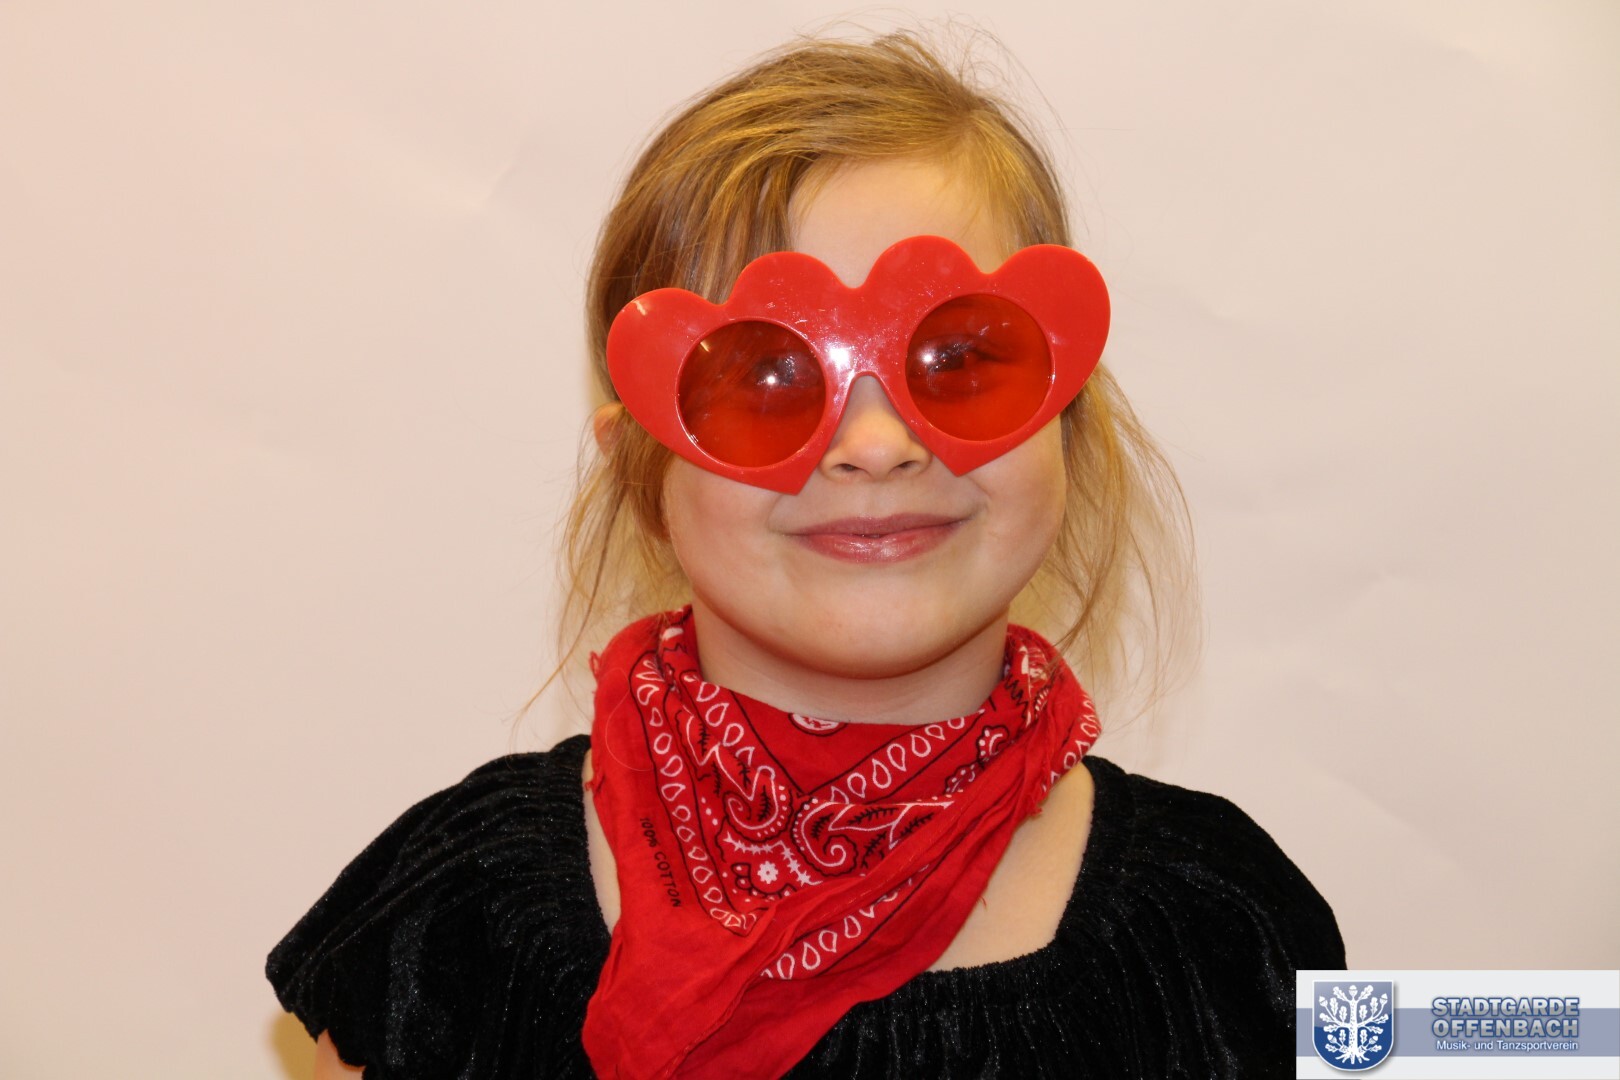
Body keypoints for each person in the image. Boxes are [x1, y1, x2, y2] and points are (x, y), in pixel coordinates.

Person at [268, 30, 1344, 1079]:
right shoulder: (450, 926)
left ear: (1068, 421)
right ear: (642, 475)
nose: (875, 445)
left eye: (960, 358)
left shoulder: (1228, 929)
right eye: (765, 379)